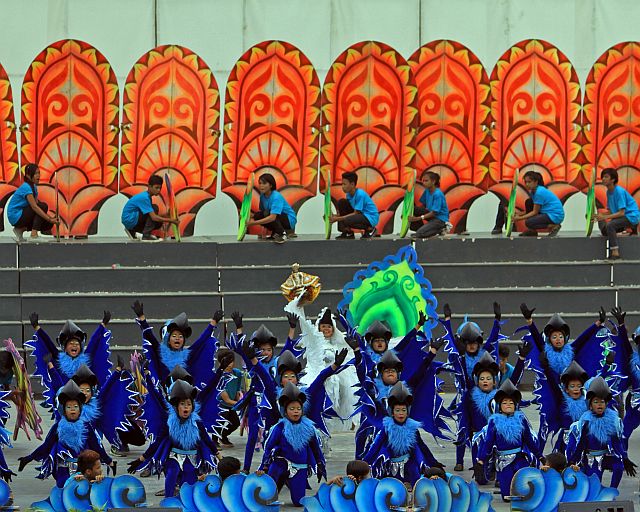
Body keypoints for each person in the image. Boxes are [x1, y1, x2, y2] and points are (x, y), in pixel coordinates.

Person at [257, 382, 326, 507]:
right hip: (279, 465)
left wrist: (320, 464)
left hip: (300, 467)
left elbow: (316, 449)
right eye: (292, 409)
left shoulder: (309, 428)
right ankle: (276, 483)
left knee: (298, 503)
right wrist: (264, 466)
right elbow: (268, 447)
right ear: (285, 411)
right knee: (267, 500)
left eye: (298, 409)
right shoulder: (280, 427)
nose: (296, 412)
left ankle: (290, 485)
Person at [475, 379, 541, 500]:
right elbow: (488, 443)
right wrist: (481, 459)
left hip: (520, 458)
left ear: (515, 405)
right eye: (505, 402)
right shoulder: (494, 422)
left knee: (522, 492)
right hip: (503, 462)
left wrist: (539, 455)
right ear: (499, 406)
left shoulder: (521, 420)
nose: (508, 404)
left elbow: (529, 440)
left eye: (511, 402)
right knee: (507, 496)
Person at [7, 163, 59, 242]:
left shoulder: (33, 187)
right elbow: (35, 207)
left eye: (39, 173)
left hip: (21, 214)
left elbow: (37, 205)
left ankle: (20, 230)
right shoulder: (26, 187)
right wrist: (49, 219)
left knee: (47, 224)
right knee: (43, 206)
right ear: (28, 175)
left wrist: (51, 220)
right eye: (35, 174)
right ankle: (33, 235)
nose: (38, 176)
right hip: (15, 215)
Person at [596, 168, 640, 259]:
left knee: (610, 226)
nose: (603, 179)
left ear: (613, 179)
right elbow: (612, 211)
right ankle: (629, 228)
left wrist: (605, 217)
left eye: (606, 177)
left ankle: (615, 252)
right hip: (622, 216)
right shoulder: (609, 192)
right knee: (605, 230)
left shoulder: (619, 191)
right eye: (602, 177)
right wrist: (599, 216)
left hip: (631, 216)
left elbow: (621, 213)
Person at [121, 175, 178, 242]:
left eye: (160, 188)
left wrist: (167, 215)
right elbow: (154, 217)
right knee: (154, 208)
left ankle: (133, 231)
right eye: (156, 188)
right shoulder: (145, 197)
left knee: (158, 223)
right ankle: (146, 235)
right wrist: (172, 220)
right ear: (149, 186)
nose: (158, 190)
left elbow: (151, 217)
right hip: (129, 219)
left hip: (131, 220)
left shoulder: (147, 197)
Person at [246, 173, 297, 244]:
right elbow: (262, 213)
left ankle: (282, 234)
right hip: (275, 216)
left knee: (269, 214)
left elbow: (272, 218)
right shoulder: (262, 196)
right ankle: (275, 233)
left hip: (289, 220)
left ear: (271, 185)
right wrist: (247, 215)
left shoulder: (276, 197)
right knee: (258, 215)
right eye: (260, 183)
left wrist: (253, 223)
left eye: (264, 183)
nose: (261, 186)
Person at [512, 171, 564, 237]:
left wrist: (518, 218)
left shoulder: (539, 192)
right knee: (529, 202)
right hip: (548, 213)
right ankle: (532, 231)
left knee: (529, 222)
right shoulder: (533, 192)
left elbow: (534, 212)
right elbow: (533, 210)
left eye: (529, 182)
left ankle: (554, 226)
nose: (527, 184)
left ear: (536, 182)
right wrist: (518, 214)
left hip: (555, 215)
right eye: (525, 182)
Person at [330, 171, 379, 239]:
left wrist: (337, 219)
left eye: (344, 184)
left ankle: (370, 229)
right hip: (361, 215)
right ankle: (348, 232)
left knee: (348, 220)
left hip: (370, 217)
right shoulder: (348, 194)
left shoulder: (360, 194)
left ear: (352, 184)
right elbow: (347, 212)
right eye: (342, 184)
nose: (342, 187)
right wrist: (332, 217)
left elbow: (356, 213)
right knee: (341, 202)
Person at [408, 171, 449, 239]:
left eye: (426, 181)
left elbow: (434, 213)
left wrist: (418, 218)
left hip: (440, 219)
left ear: (433, 182)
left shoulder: (438, 194)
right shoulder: (427, 191)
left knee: (419, 234)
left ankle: (442, 228)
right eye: (423, 181)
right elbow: (423, 206)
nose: (423, 183)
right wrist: (407, 215)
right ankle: (423, 229)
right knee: (413, 209)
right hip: (432, 216)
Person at [217, 348, 243, 448]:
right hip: (220, 405)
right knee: (220, 421)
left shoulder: (237, 373)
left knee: (235, 423)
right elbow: (226, 399)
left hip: (231, 404)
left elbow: (237, 390)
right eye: (225, 361)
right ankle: (214, 440)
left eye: (231, 361)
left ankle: (223, 436)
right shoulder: (219, 376)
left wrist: (240, 399)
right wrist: (241, 404)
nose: (229, 364)